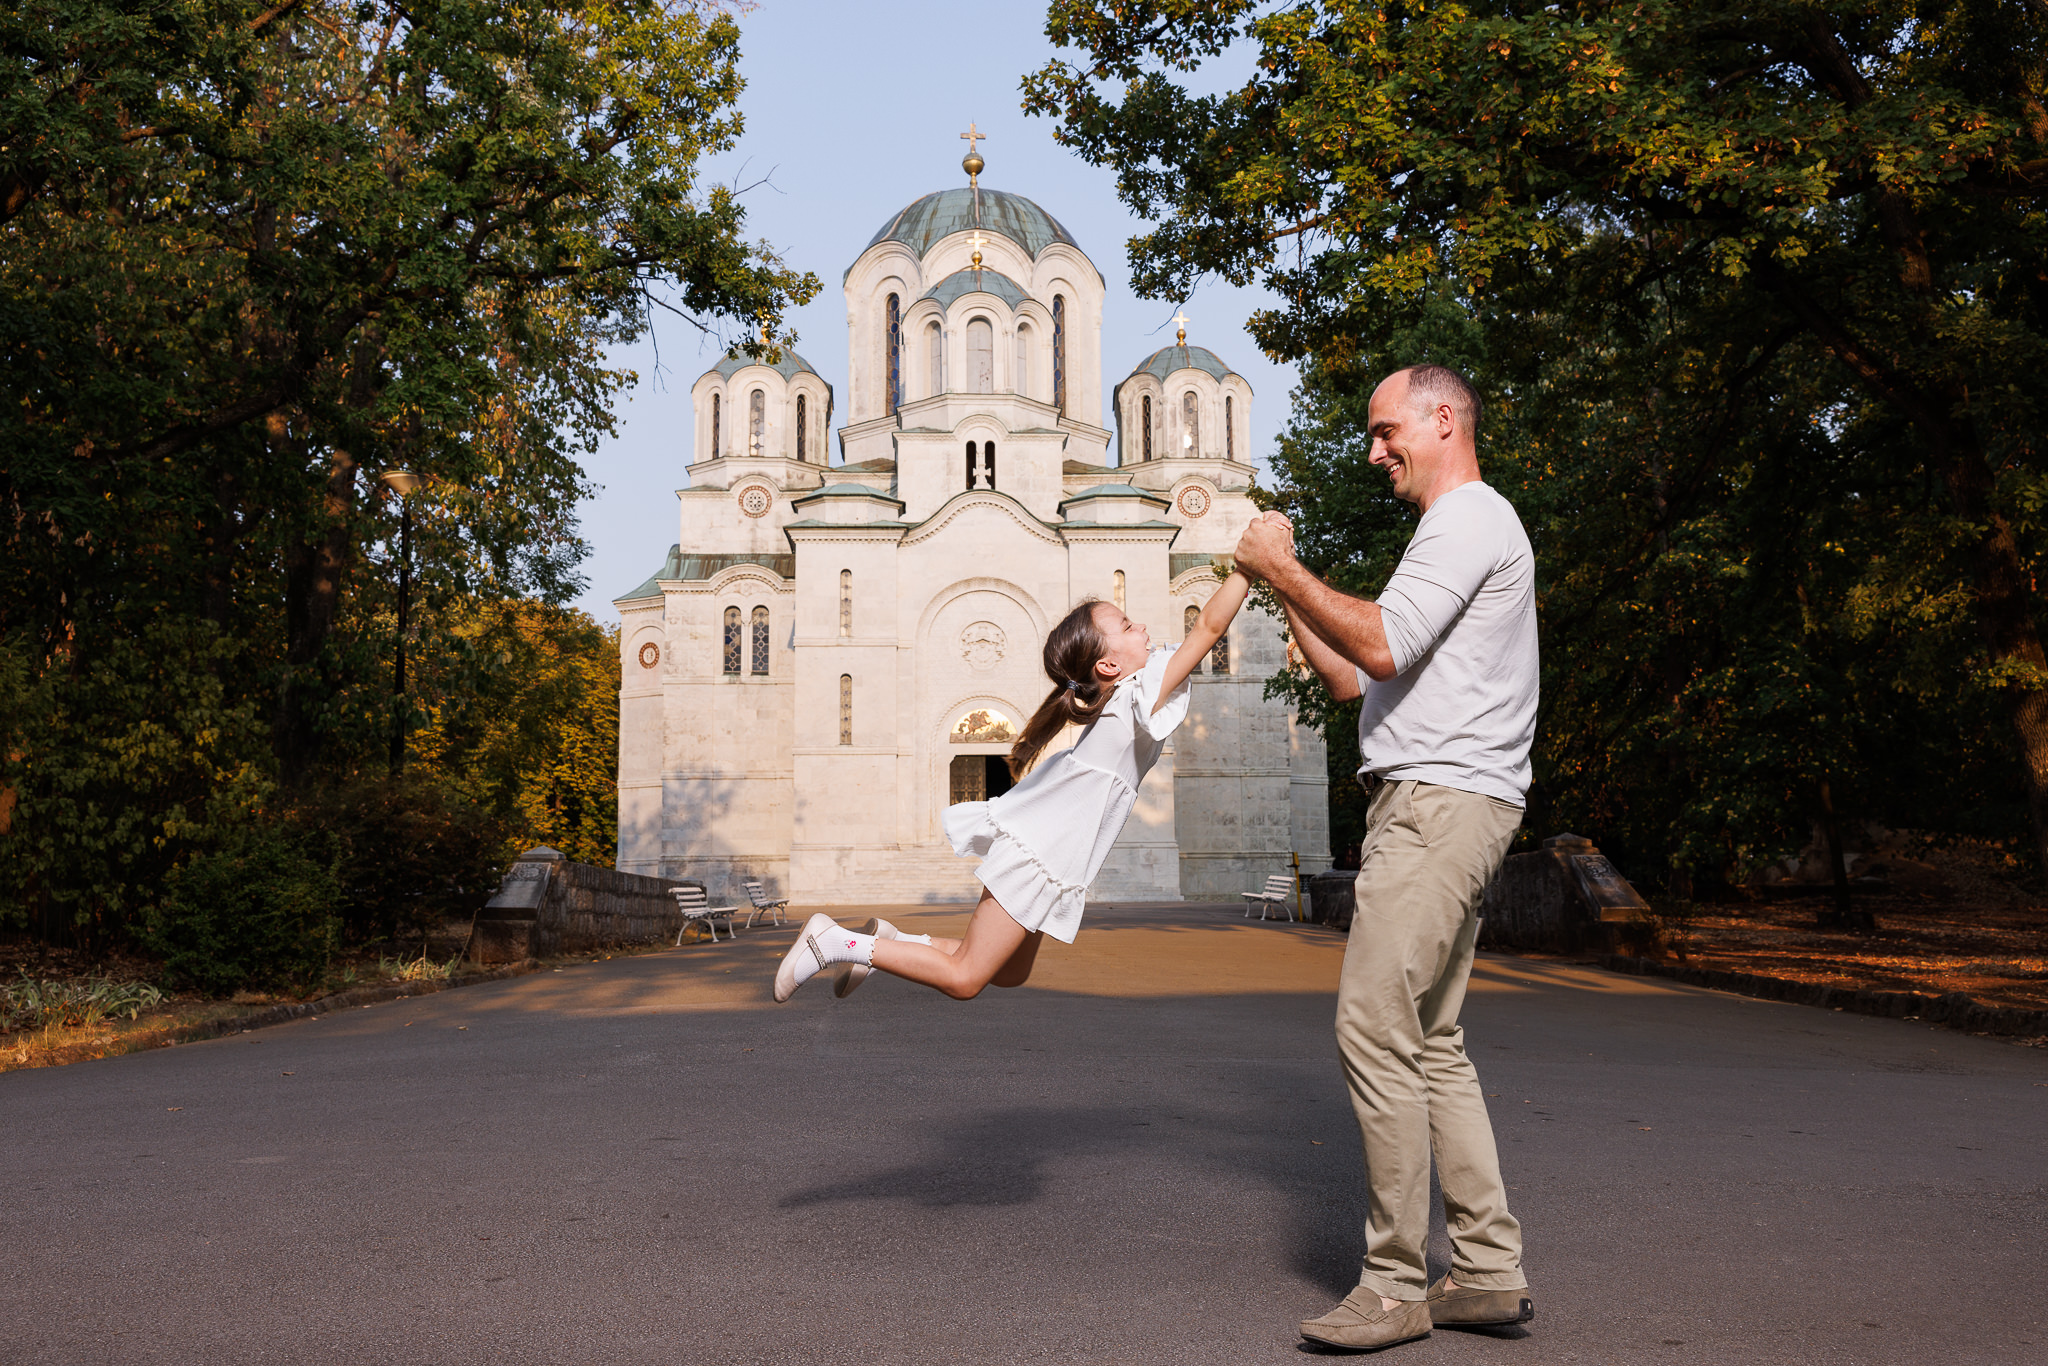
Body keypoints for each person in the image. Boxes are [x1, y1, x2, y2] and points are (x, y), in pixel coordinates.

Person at [1234, 364, 1539, 1352]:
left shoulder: (1467, 517)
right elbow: (1342, 674)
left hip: (1437, 809)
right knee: (1427, 1039)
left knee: (1370, 1025)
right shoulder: (1456, 528)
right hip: (1445, 804)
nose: (1372, 452)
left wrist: (1283, 565)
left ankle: (1394, 1285)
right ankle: (1485, 1271)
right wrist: (1277, 588)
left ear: (1442, 418)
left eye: (1382, 430)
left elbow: (1377, 645)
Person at [772, 570, 1253, 1005]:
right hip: (1041, 850)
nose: (1143, 627)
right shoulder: (1135, 695)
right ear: (1107, 666)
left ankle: (892, 944)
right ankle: (836, 941)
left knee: (1009, 973)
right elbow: (1207, 629)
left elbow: (1198, 635)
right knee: (965, 979)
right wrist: (1248, 569)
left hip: (1059, 856)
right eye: (1127, 626)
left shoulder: (1130, 695)